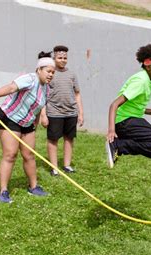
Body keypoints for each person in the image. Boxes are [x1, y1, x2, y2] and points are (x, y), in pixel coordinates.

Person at [0, 51, 55, 203]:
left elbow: (37, 108)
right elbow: (10, 88)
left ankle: (33, 187)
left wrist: (35, 123)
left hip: (27, 123)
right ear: (39, 70)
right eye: (48, 71)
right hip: (9, 118)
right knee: (10, 155)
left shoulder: (47, 89)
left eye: (53, 73)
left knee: (29, 155)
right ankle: (3, 191)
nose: (50, 75)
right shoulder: (29, 79)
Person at [105, 42, 151, 168]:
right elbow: (114, 105)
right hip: (124, 122)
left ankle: (121, 146)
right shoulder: (141, 81)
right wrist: (111, 131)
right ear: (148, 67)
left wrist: (146, 110)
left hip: (132, 119)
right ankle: (118, 145)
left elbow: (132, 102)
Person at [40, 45, 83, 176]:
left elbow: (77, 94)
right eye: (60, 57)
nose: (63, 60)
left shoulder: (72, 74)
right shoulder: (50, 73)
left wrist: (80, 113)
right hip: (54, 113)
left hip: (71, 113)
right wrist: (43, 115)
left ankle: (67, 165)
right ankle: (54, 167)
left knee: (69, 139)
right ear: (54, 58)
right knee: (53, 140)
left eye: (65, 58)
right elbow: (42, 94)